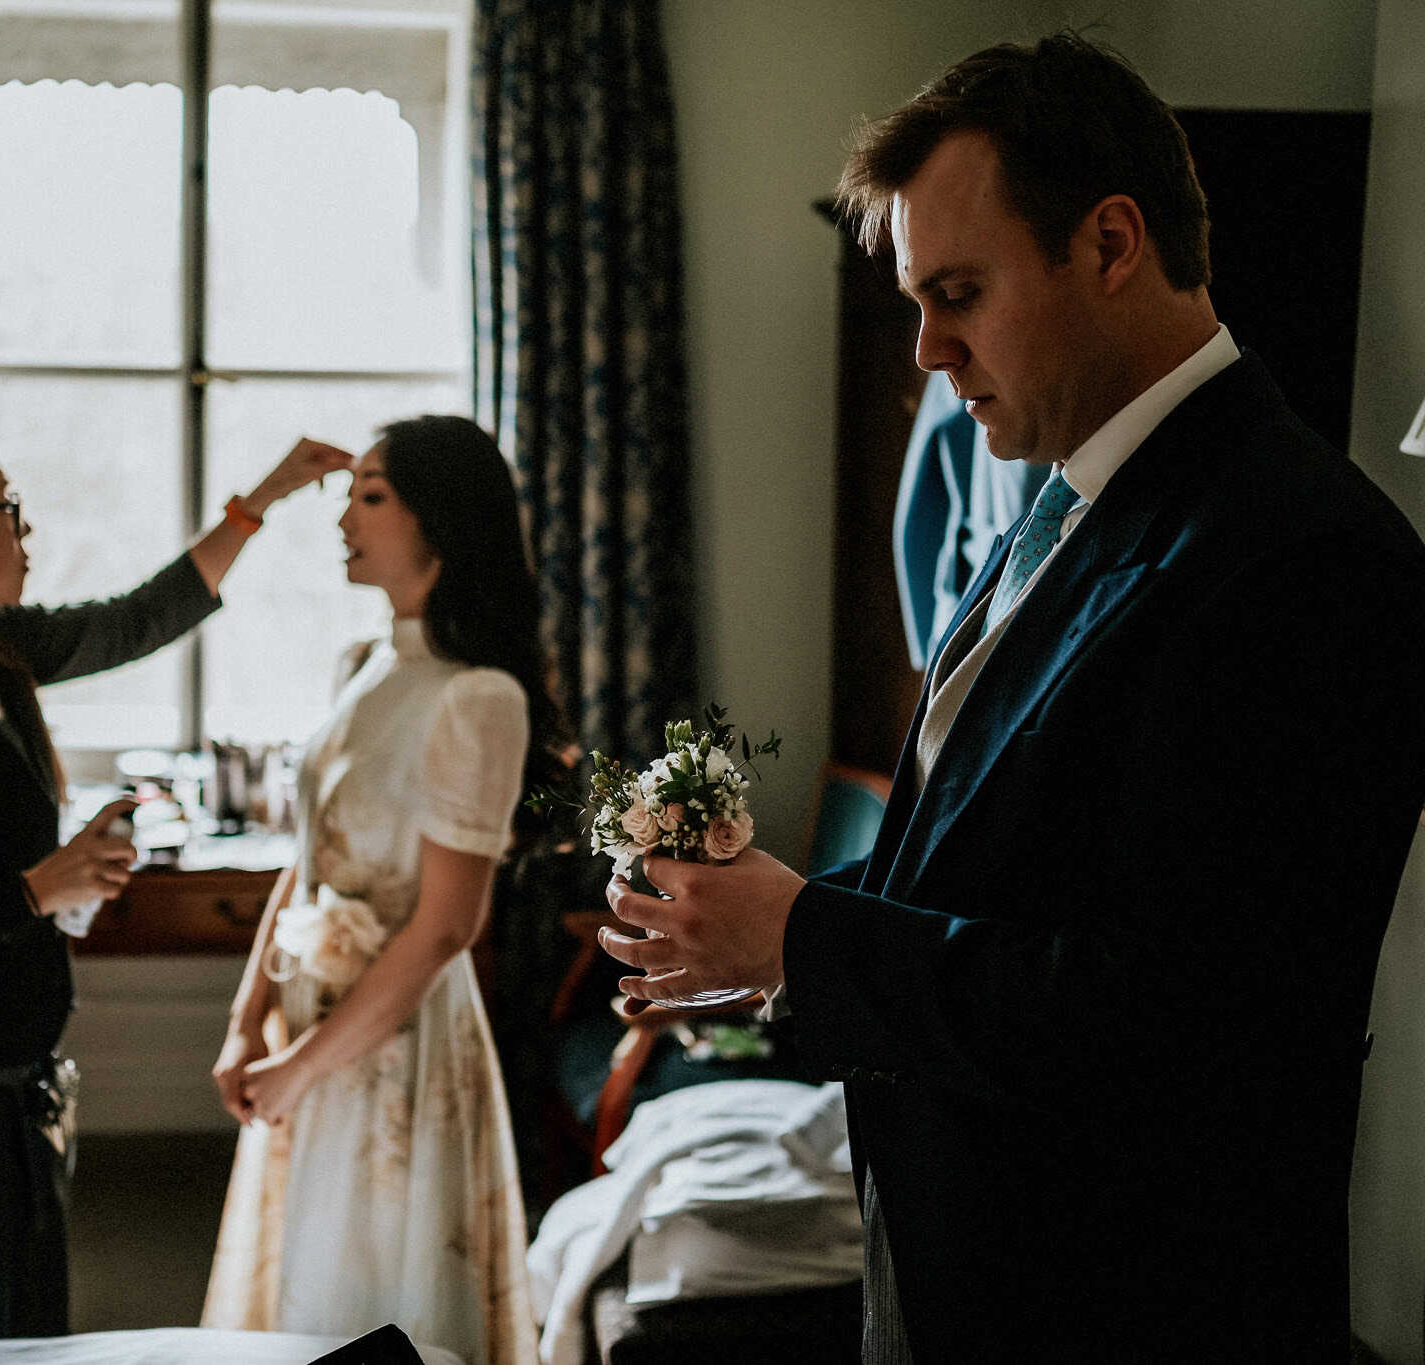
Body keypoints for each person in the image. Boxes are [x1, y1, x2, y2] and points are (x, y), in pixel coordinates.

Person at [598, 33, 1425, 1362]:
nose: (927, 351)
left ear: (1110, 243)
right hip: (951, 1256)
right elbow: (995, 888)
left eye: (960, 293)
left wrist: (808, 938)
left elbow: (1179, 1030)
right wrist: (756, 951)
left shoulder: (1306, 556)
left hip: (1121, 1302)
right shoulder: (1060, 507)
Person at [0, 406, 348, 1352]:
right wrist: (35, 892)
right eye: (3, 504)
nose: (22, 525)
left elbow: (139, 618)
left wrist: (262, 501)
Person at [201, 416, 564, 1365]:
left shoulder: (479, 696)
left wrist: (302, 1063)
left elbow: (447, 928)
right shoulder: (363, 668)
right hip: (309, 1034)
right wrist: (249, 1022)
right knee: (299, 1296)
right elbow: (305, 862)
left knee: (374, 1305)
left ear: (437, 523)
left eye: (370, 496)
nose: (344, 520)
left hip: (396, 1051)